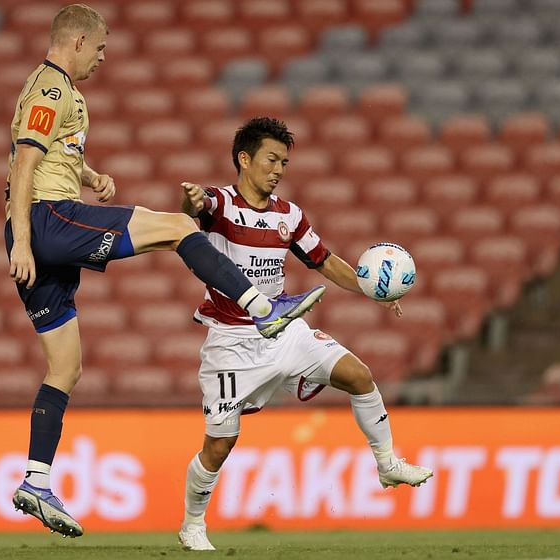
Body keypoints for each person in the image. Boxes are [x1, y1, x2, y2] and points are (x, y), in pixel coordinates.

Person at [4, 6, 325, 538]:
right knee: (178, 225)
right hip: (46, 222)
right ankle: (264, 308)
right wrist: (21, 239)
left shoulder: (58, 94)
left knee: (65, 366)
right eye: (101, 48)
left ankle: (36, 480)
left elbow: (50, 150)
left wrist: (89, 174)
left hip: (47, 223)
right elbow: (22, 161)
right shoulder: (53, 90)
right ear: (77, 41)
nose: (104, 58)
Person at [176, 117, 433, 551]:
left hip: (284, 330)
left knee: (359, 375)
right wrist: (191, 203)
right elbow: (190, 217)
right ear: (244, 158)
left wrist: (370, 290)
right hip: (231, 343)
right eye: (271, 160)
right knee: (220, 445)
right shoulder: (220, 204)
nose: (278, 169)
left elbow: (324, 260)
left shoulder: (288, 215)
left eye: (284, 162)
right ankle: (192, 524)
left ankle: (387, 463)